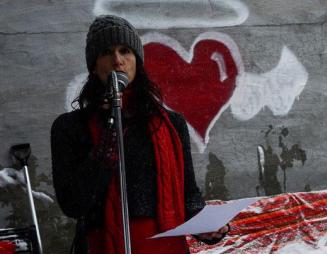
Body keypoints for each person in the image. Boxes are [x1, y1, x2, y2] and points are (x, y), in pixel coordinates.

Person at [51, 15, 228, 254]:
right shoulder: (70, 127)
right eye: (106, 52)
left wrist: (207, 228)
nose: (117, 60)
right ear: (94, 64)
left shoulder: (171, 125)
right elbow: (73, 203)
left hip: (164, 245)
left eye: (125, 51)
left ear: (137, 61)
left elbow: (189, 196)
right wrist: (109, 135)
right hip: (102, 245)